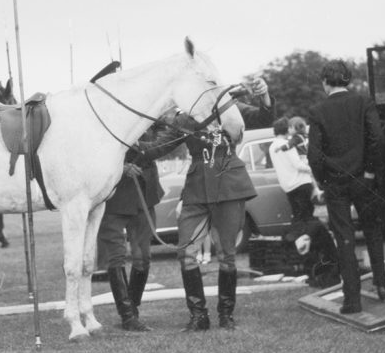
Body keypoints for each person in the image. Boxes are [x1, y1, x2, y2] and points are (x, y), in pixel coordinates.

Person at [175, 77, 274, 331]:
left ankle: (226, 315)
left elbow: (264, 119)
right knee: (186, 252)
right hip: (196, 189)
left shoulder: (229, 107)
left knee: (227, 255)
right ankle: (198, 316)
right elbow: (157, 144)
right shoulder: (183, 115)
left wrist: (264, 95)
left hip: (229, 185)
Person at [307, 60, 385, 314]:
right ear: (347, 80)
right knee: (373, 231)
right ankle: (381, 284)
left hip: (335, 184)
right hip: (364, 179)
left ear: (325, 82)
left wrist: (323, 181)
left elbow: (314, 155)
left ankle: (352, 299)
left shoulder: (317, 111)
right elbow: (377, 138)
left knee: (344, 238)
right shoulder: (363, 102)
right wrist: (370, 170)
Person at [95, 125, 174, 331]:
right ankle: (127, 316)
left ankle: (133, 308)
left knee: (143, 257)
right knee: (117, 256)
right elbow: (93, 155)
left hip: (143, 196)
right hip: (115, 198)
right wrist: (121, 168)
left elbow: (160, 142)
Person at [269, 116, 340, 287]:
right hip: (301, 183)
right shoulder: (289, 144)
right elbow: (298, 165)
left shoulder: (272, 147)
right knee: (309, 222)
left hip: (288, 187)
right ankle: (321, 259)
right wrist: (313, 167)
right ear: (287, 129)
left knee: (301, 223)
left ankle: (311, 261)